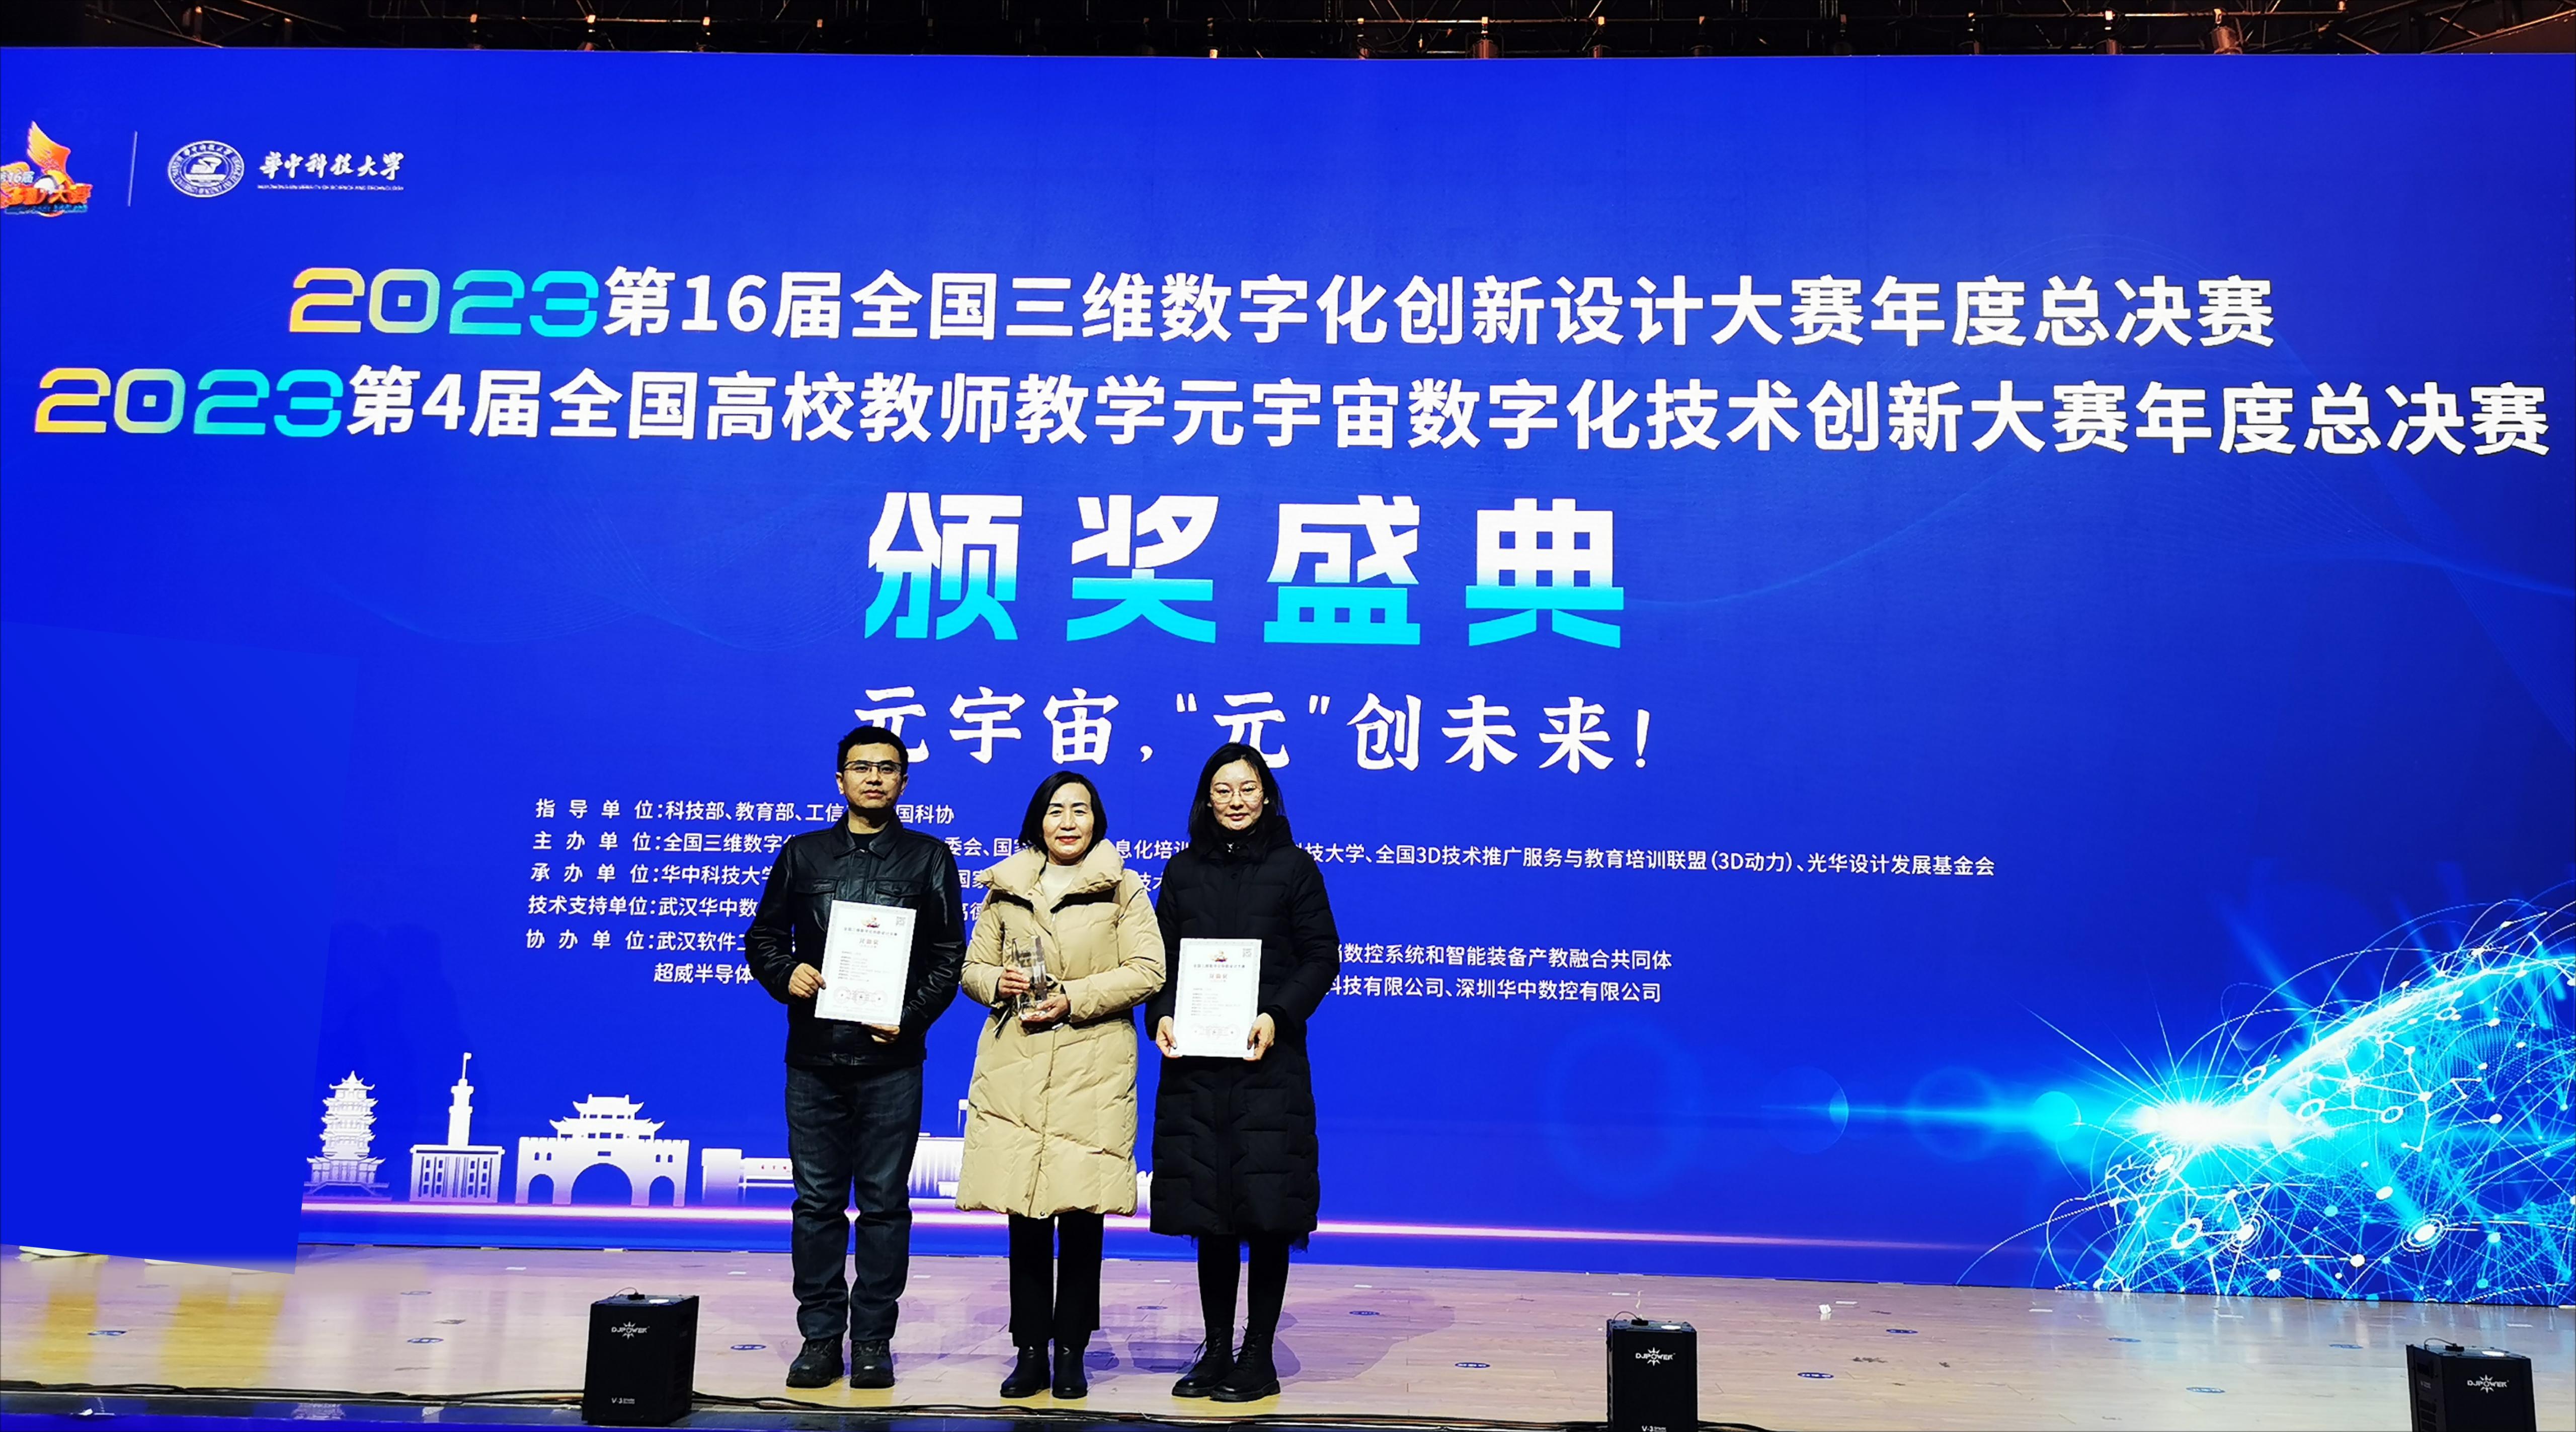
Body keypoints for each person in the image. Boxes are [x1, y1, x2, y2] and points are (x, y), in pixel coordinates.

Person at [745, 725, 966, 1390]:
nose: (874, 777)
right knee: (816, 1203)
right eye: (861, 767)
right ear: (839, 778)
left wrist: (910, 1015)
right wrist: (785, 971)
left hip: (891, 1062)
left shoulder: (928, 857)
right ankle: (819, 1337)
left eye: (887, 768)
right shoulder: (803, 854)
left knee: (884, 1205)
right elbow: (763, 936)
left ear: (904, 781)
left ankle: (872, 1339)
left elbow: (948, 955)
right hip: (814, 1059)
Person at [956, 771, 1164, 1400]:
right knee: (1023, 1215)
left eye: (1080, 810)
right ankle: (1028, 1351)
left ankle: (1071, 1350)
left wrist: (1073, 996)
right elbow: (972, 968)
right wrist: (996, 983)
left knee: (1080, 1216)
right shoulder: (1005, 888)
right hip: (1017, 1063)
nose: (1067, 821)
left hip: (1091, 1065)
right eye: (1055, 810)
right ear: (1037, 822)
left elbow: (1148, 970)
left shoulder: (1123, 887)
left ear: (1097, 820)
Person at [1146, 743, 1340, 1402]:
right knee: (1211, 1212)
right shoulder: (1181, 871)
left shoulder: (1294, 868)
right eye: (1223, 789)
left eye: (1248, 788)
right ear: (1206, 799)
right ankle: (1216, 1348)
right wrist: (1160, 1015)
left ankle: (1258, 1354)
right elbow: (1159, 962)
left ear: (1267, 795)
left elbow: (1321, 956)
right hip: (1197, 1066)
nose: (1235, 800)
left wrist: (1277, 1014)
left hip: (1267, 1063)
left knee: (1266, 1212)